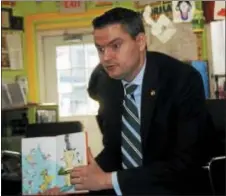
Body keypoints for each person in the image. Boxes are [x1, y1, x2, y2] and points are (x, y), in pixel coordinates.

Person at [45, 7, 213, 195]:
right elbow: (116, 148)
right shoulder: (104, 83)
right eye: (100, 49)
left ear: (140, 41)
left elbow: (185, 163)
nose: (106, 57)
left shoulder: (181, 79)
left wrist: (107, 180)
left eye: (115, 46)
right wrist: (76, 181)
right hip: (129, 187)